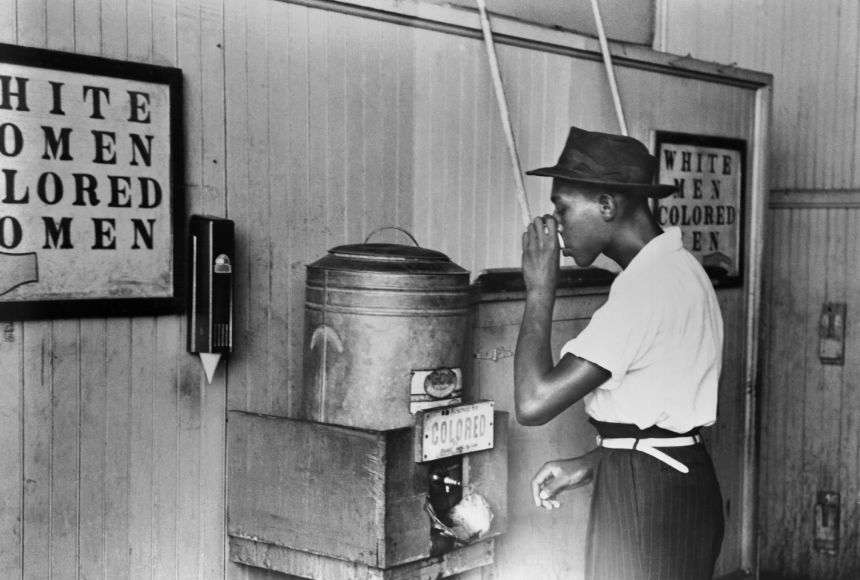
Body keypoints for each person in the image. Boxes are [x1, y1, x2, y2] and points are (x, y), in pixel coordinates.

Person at [514, 126, 725, 580]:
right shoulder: (680, 268)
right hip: (677, 480)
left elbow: (533, 402)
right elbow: (660, 420)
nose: (556, 225)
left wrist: (538, 291)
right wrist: (591, 465)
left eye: (562, 208)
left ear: (607, 205)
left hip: (646, 496)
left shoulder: (642, 292)